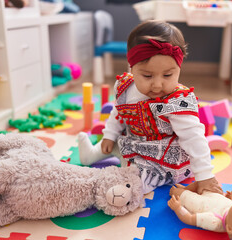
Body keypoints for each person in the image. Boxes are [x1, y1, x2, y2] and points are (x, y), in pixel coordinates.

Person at [78, 20, 222, 194]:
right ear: (132, 68)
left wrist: (204, 175)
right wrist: (109, 135)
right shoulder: (125, 87)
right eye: (147, 75)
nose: (157, 85)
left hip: (162, 159)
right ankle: (91, 155)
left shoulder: (177, 102)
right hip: (133, 143)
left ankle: (128, 189)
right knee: (112, 143)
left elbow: (194, 138)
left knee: (138, 178)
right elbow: (118, 112)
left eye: (168, 75)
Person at [168, 183, 232, 240]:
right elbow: (231, 207)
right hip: (211, 195)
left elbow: (189, 219)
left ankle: (181, 191)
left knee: (178, 192)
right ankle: (186, 188)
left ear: (229, 228)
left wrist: (178, 208)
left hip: (197, 202)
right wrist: (230, 198)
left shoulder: (215, 221)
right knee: (202, 182)